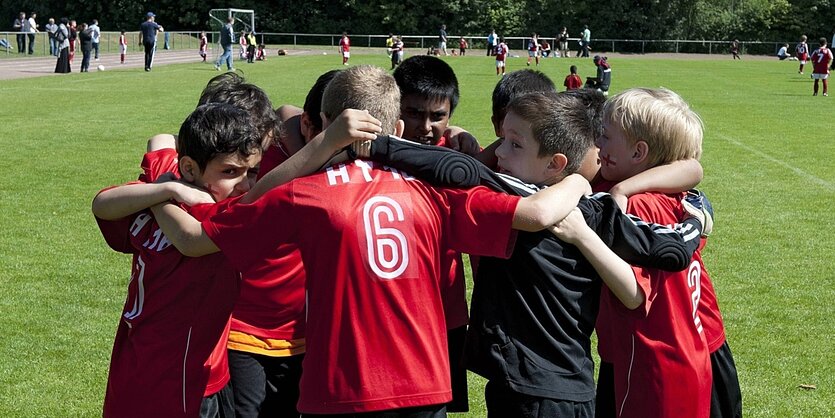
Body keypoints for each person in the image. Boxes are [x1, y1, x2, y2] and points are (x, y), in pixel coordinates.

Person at [147, 64, 593, 417]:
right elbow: (533, 213)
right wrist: (577, 181)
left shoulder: (302, 193)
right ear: (398, 127)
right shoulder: (438, 190)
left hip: (342, 385)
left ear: (323, 124)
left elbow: (202, 238)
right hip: (426, 382)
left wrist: (159, 183)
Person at [356, 90, 709, 418]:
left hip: (539, 391)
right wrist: (696, 214)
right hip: (565, 383)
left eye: (514, 145)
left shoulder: (527, 197)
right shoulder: (594, 207)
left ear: (556, 163)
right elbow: (673, 248)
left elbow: (462, 170)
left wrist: (374, 146)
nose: (501, 154)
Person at [92, 102, 263, 418]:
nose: (244, 184)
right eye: (230, 172)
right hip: (170, 378)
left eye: (251, 172)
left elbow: (158, 142)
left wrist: (162, 187)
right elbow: (101, 203)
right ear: (189, 168)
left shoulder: (164, 196)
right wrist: (167, 189)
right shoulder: (203, 208)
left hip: (162, 367)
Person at [593, 88, 722, 418]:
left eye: (605, 137)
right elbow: (693, 168)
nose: (597, 145)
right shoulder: (661, 188)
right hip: (697, 345)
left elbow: (636, 293)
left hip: (658, 355)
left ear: (638, 152)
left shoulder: (640, 203)